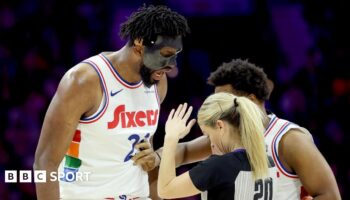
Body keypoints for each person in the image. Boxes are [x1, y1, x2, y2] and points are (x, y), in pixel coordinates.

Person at [34, 5, 190, 200]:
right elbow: (45, 162)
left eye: (176, 55)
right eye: (166, 55)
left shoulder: (157, 81)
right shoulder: (84, 81)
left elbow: (146, 153)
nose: (172, 65)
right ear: (140, 44)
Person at [154, 59, 341, 199]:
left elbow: (330, 196)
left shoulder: (289, 140)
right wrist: (153, 157)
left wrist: (170, 138)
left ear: (250, 100)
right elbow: (182, 152)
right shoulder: (225, 137)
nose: (218, 109)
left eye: (224, 102)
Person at [157, 94, 277, 199]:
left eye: (208, 135)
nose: (211, 144)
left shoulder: (220, 165)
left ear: (220, 126)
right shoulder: (268, 162)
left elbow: (165, 190)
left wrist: (171, 138)